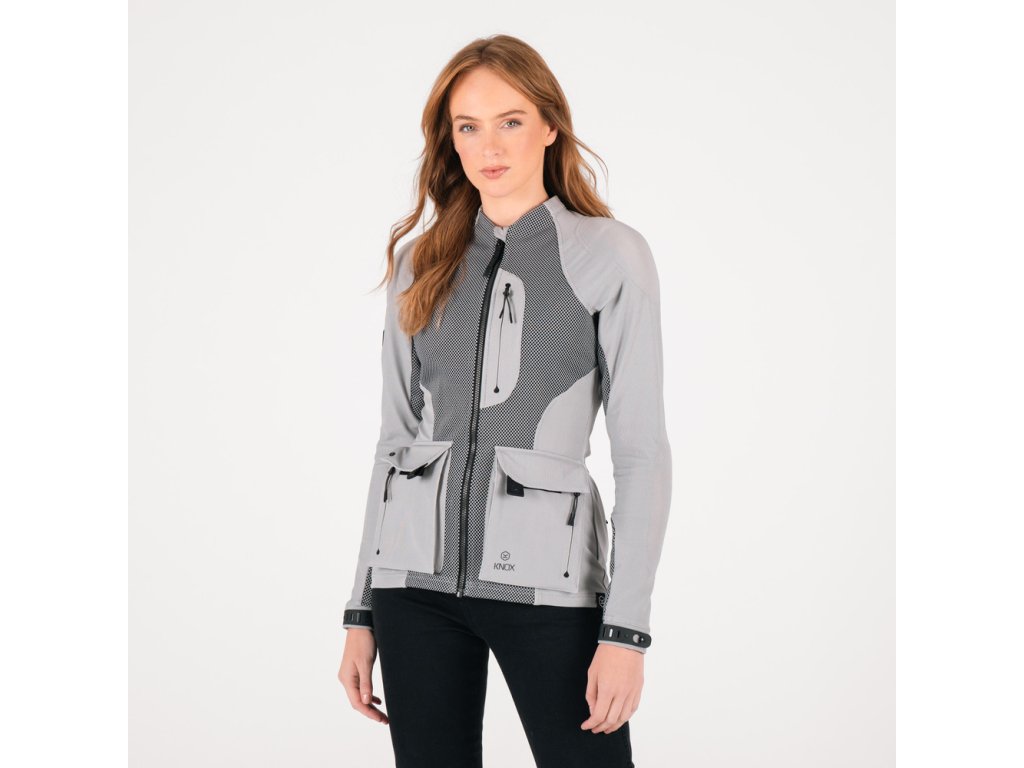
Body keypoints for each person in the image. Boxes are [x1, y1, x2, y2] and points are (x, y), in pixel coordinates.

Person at [337, 34, 672, 768]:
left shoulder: (609, 255)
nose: (489, 146)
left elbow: (642, 453)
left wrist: (626, 632)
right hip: (413, 590)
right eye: (468, 126)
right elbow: (395, 441)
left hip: (549, 593)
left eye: (510, 121)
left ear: (550, 125)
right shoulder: (419, 262)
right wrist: (361, 610)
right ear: (449, 139)